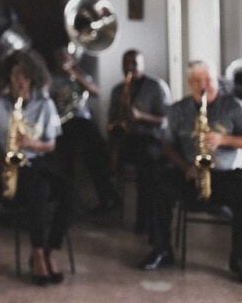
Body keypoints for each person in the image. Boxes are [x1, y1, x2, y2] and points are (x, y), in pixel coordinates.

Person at [0, 50, 76, 286]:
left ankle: (48, 250)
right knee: (40, 190)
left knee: (70, 192)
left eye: (25, 75)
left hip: (37, 160)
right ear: (8, 77)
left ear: (33, 77)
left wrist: (31, 143)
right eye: (15, 74)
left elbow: (51, 145)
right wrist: (2, 160)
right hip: (10, 167)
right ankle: (37, 254)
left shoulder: (45, 103)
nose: (20, 80)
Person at [153, 60, 242, 279]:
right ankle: (162, 250)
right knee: (157, 184)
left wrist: (224, 139)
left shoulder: (233, 106)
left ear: (217, 81)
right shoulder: (177, 110)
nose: (204, 85)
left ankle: (238, 259)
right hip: (190, 174)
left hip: (223, 176)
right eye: (197, 81)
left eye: (208, 80)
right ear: (189, 83)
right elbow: (167, 145)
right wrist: (185, 168)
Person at [108, 49, 171, 238]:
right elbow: (112, 120)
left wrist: (141, 116)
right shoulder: (117, 90)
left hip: (150, 139)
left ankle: (144, 219)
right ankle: (110, 204)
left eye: (134, 63)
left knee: (146, 167)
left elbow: (166, 120)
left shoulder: (156, 86)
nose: (129, 68)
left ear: (143, 64)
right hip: (127, 139)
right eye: (125, 64)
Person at [50, 47, 119, 217]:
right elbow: (46, 102)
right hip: (62, 123)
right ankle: (69, 203)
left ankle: (107, 197)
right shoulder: (52, 80)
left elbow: (95, 91)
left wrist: (74, 74)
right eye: (61, 60)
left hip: (82, 121)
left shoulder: (80, 75)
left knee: (96, 154)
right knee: (65, 160)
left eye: (67, 59)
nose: (64, 63)